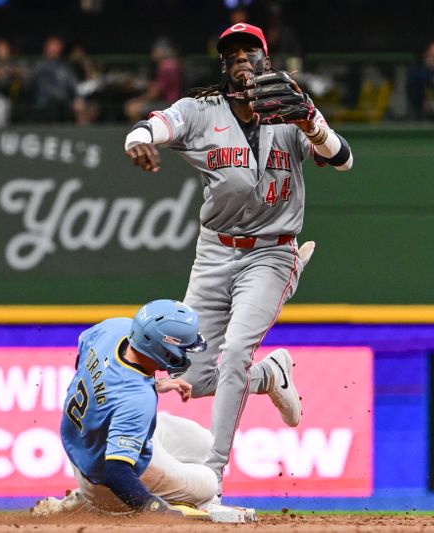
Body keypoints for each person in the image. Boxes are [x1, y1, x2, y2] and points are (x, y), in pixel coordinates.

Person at [123, 23, 353, 497]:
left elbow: (343, 158)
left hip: (272, 251)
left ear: (267, 61)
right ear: (223, 65)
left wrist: (313, 122)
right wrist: (137, 141)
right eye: (233, 52)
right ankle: (272, 374)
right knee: (191, 376)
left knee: (233, 356)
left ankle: (212, 481)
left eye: (252, 49)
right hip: (214, 252)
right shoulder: (200, 111)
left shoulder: (291, 108)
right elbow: (154, 126)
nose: (243, 56)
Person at [33, 299, 256, 523]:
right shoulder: (137, 399)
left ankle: (93, 495)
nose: (185, 354)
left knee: (203, 441)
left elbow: (87, 362)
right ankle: (90, 502)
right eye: (181, 349)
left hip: (84, 444)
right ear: (163, 350)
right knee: (209, 483)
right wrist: (155, 508)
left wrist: (151, 383)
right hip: (105, 481)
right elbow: (116, 470)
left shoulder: (115, 329)